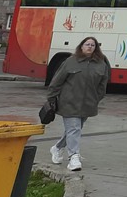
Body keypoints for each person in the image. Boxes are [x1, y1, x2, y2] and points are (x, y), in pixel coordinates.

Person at [47, 36, 111, 172]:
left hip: (88, 104)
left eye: (92, 45)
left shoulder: (101, 65)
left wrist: (96, 99)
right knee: (74, 129)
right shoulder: (71, 61)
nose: (89, 47)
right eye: (87, 44)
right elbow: (57, 81)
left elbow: (102, 86)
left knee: (74, 129)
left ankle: (57, 148)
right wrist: (51, 98)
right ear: (81, 46)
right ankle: (73, 158)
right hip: (69, 102)